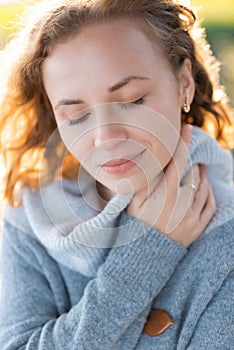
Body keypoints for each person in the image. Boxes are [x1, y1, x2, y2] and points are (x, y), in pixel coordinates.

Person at [0, 0, 233, 349]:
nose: (106, 139)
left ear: (184, 83)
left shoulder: (226, 233)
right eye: (76, 115)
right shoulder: (29, 219)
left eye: (133, 100)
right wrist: (146, 252)